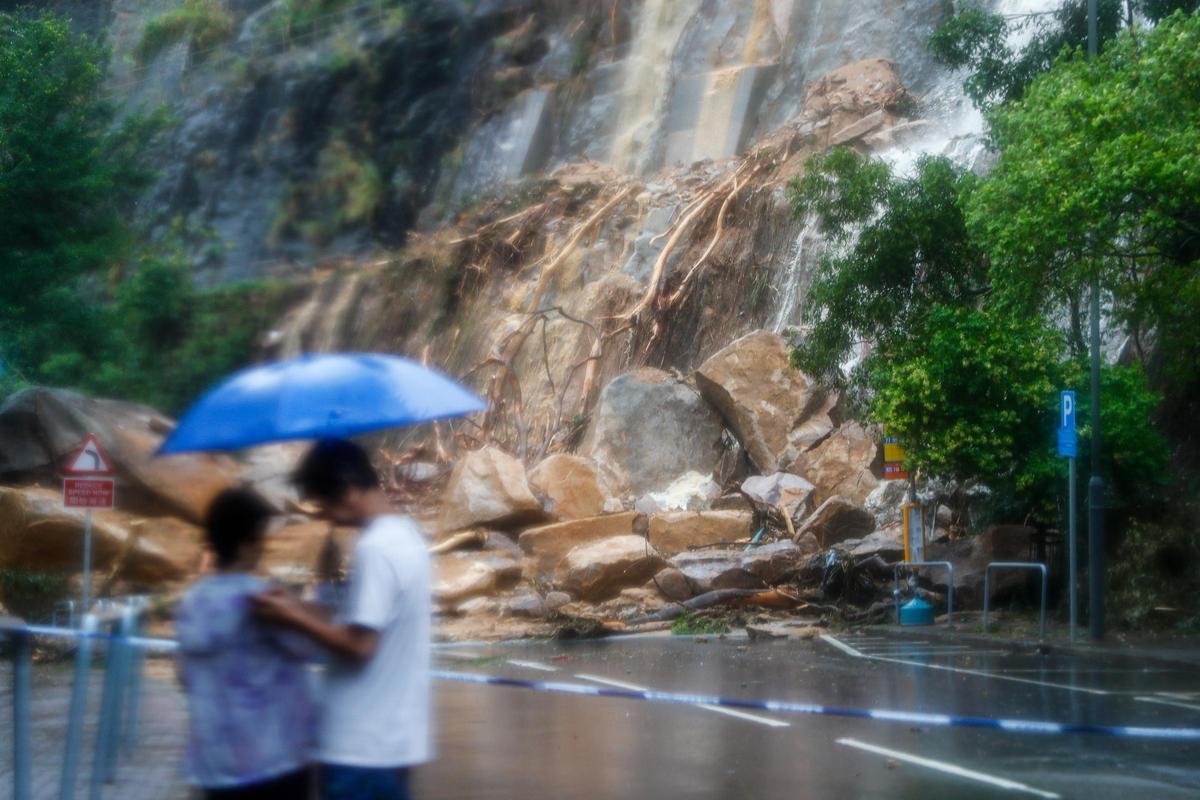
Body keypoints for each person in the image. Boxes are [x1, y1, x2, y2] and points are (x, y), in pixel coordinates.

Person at [252, 439, 432, 800]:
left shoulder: (375, 549)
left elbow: (359, 646)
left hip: (359, 748)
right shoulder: (407, 535)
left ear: (348, 489)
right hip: (393, 741)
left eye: (324, 504)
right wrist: (296, 605)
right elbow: (360, 621)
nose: (326, 516)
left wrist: (292, 618)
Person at [176, 488, 315, 799]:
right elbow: (305, 647)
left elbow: (182, 676)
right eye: (261, 538)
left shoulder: (191, 601)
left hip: (214, 767)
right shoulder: (263, 598)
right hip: (273, 764)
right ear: (247, 543)